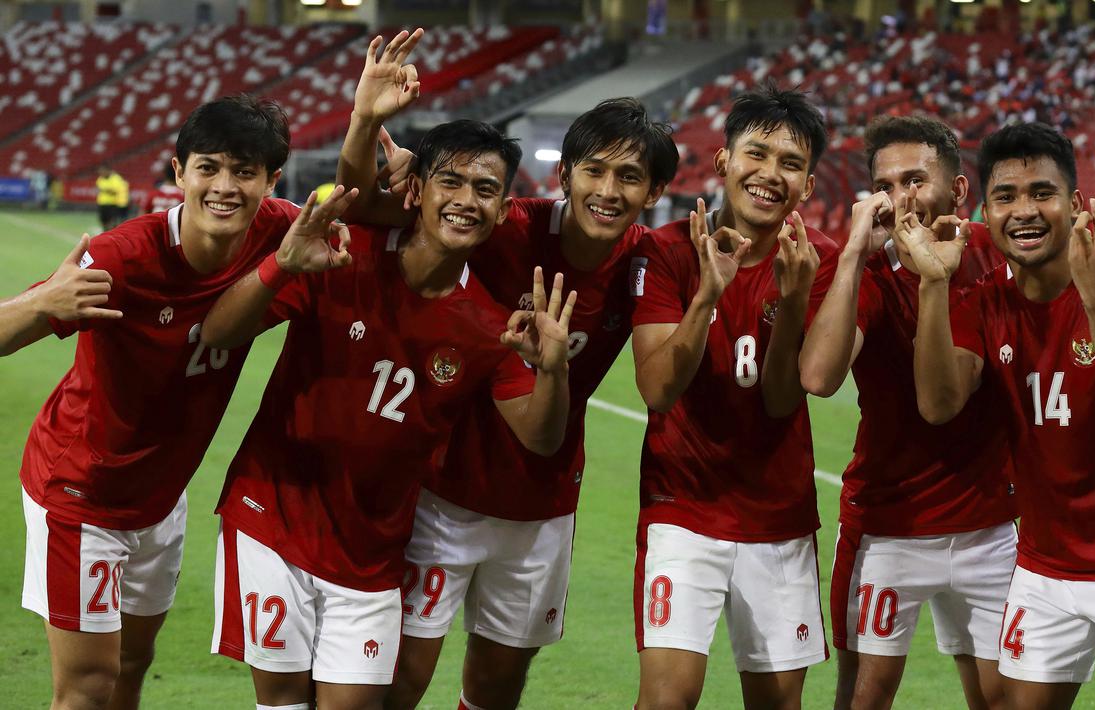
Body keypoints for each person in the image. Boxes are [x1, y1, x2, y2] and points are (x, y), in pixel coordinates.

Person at [332, 30, 681, 710]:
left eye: (629, 177)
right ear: (565, 174)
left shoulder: (651, 261)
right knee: (398, 679)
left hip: (542, 506)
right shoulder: (503, 225)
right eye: (594, 170)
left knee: (494, 688)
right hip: (441, 493)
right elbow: (365, 207)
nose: (607, 191)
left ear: (655, 190)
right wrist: (367, 122)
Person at [204, 117, 575, 710]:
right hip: (274, 516)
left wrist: (553, 369)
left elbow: (540, 436)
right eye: (449, 182)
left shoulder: (487, 323)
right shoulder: (343, 254)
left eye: (485, 190)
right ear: (417, 190)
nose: (464, 201)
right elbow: (218, 333)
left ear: (505, 210)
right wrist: (282, 265)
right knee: (281, 702)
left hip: (374, 553)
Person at [3, 95, 299, 710]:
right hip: (82, 493)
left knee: (133, 663)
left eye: (244, 172)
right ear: (177, 173)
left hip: (161, 497)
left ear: (271, 180)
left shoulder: (279, 230)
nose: (224, 187)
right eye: (208, 168)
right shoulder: (119, 257)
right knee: (87, 687)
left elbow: (362, 216)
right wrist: (39, 304)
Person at [905, 122, 1095, 709]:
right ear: (985, 215)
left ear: (1073, 204)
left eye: (1042, 193)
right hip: (1047, 565)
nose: (1025, 211)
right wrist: (934, 285)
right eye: (1006, 197)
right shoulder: (985, 299)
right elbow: (939, 405)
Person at [630, 84, 838, 709]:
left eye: (792, 163)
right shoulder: (666, 250)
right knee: (667, 701)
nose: (770, 174)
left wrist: (795, 298)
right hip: (681, 510)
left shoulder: (817, 262)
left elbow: (782, 400)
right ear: (722, 162)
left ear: (807, 185)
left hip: (778, 517)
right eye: (756, 153)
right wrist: (708, 294)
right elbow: (658, 387)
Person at [799, 116, 1016, 710]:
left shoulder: (997, 257)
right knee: (862, 699)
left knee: (1001, 701)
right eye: (886, 185)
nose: (900, 199)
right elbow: (818, 378)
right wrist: (849, 257)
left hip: (990, 523)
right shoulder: (865, 273)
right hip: (887, 525)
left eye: (916, 180)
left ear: (960, 192)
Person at [96, 165, 130, 231]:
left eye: (102, 171)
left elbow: (115, 191)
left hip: (112, 204)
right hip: (102, 204)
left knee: (112, 222)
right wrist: (107, 190)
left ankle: (110, 234)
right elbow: (100, 188)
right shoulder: (100, 179)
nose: (101, 173)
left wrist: (105, 190)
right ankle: (105, 232)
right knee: (103, 221)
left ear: (108, 170)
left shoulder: (116, 178)